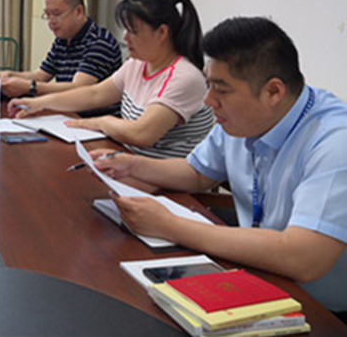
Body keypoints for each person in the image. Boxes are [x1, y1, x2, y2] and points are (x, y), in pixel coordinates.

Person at [92, 17, 347, 318]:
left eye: (221, 90)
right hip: (257, 277)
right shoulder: (245, 118)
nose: (208, 100)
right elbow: (197, 173)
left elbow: (304, 258)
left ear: (273, 92)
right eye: (208, 84)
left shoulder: (334, 142)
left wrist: (168, 225)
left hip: (322, 312)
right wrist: (133, 166)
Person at [10, 0, 213, 158]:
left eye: (133, 31)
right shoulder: (137, 64)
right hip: (131, 163)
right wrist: (39, 103)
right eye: (125, 29)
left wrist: (97, 122)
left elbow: (142, 133)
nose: (125, 37)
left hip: (167, 181)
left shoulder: (184, 77)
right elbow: (94, 94)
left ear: (162, 32)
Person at [0, 0, 122, 108]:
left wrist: (30, 86)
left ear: (78, 11)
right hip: (67, 112)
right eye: (47, 15)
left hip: (92, 117)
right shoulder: (62, 40)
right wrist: (9, 76)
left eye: (56, 14)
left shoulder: (100, 42)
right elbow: (40, 76)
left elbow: (78, 88)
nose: (51, 22)